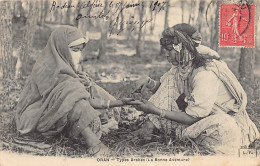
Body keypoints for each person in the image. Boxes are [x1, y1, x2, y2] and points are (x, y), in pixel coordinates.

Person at [130, 23, 259, 155]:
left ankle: (169, 131)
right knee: (170, 79)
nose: (166, 55)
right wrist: (149, 82)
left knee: (224, 126)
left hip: (216, 119)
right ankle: (152, 127)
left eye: (170, 50)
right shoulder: (183, 64)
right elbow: (167, 90)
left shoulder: (205, 73)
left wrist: (156, 111)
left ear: (183, 49)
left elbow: (194, 117)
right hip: (197, 115)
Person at [15, 25, 133, 155]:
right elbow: (56, 94)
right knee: (72, 93)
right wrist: (75, 88)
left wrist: (117, 102)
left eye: (79, 50)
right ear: (61, 48)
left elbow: (81, 93)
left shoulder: (66, 65)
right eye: (74, 50)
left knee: (87, 87)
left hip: (63, 107)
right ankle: (95, 145)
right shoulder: (44, 67)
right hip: (40, 111)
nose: (78, 55)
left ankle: (109, 118)